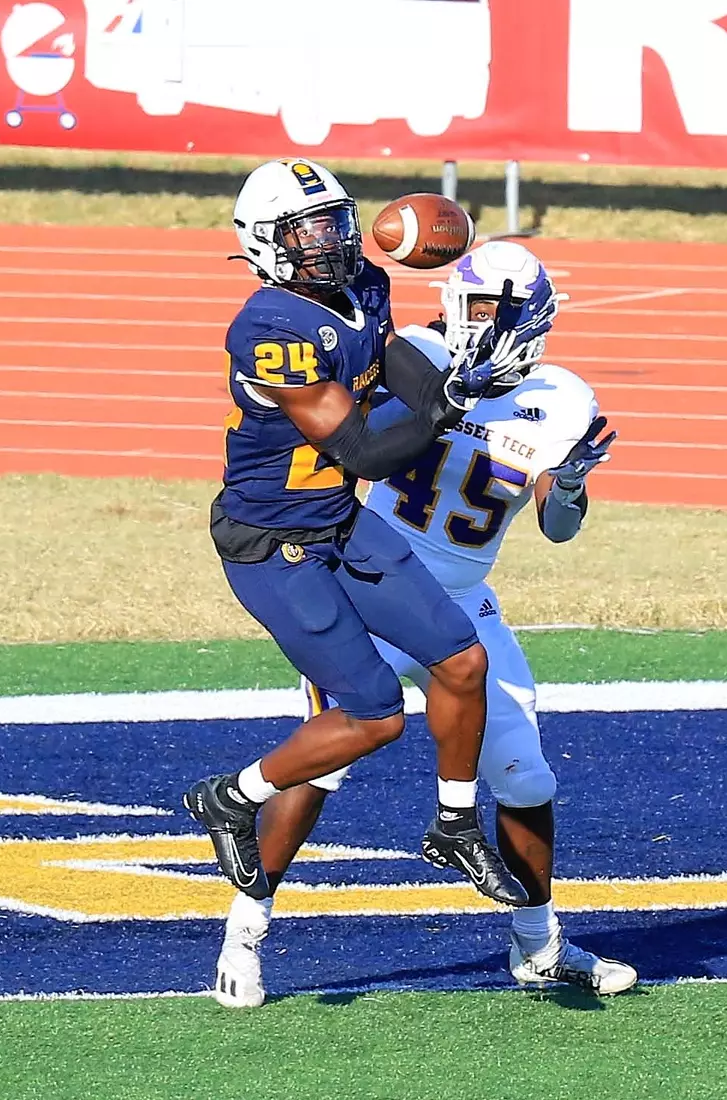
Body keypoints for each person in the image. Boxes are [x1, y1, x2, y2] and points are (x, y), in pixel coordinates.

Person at [213, 241, 638, 1007]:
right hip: (369, 575)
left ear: (532, 321)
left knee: (524, 772)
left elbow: (558, 526)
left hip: (465, 597)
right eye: (470, 305)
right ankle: (246, 926)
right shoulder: (415, 353)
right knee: (328, 758)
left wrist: (569, 486)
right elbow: (355, 442)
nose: (476, 322)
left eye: (494, 310)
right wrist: (449, 397)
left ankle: (538, 946)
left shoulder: (562, 397)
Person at [183, 160, 530, 931]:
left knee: (464, 660)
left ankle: (455, 824)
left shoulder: (364, 283)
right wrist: (454, 407)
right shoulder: (268, 327)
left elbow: (393, 358)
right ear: (265, 244)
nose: (329, 242)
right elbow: (367, 453)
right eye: (306, 232)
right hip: (273, 541)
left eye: (335, 222)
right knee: (375, 716)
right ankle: (231, 797)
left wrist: (451, 384)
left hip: (338, 521)